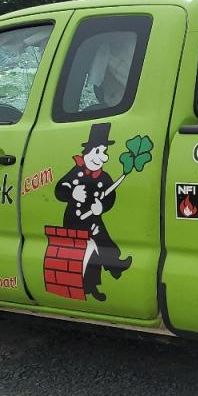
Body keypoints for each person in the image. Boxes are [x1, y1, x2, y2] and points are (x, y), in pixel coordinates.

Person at [53, 123, 131, 301]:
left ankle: (105, 275)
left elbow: (110, 197)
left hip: (93, 220)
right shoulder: (76, 172)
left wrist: (101, 207)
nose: (103, 157)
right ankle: (106, 273)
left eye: (104, 152)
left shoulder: (104, 177)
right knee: (87, 252)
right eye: (98, 151)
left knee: (103, 243)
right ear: (87, 152)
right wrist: (72, 193)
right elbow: (60, 189)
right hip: (75, 219)